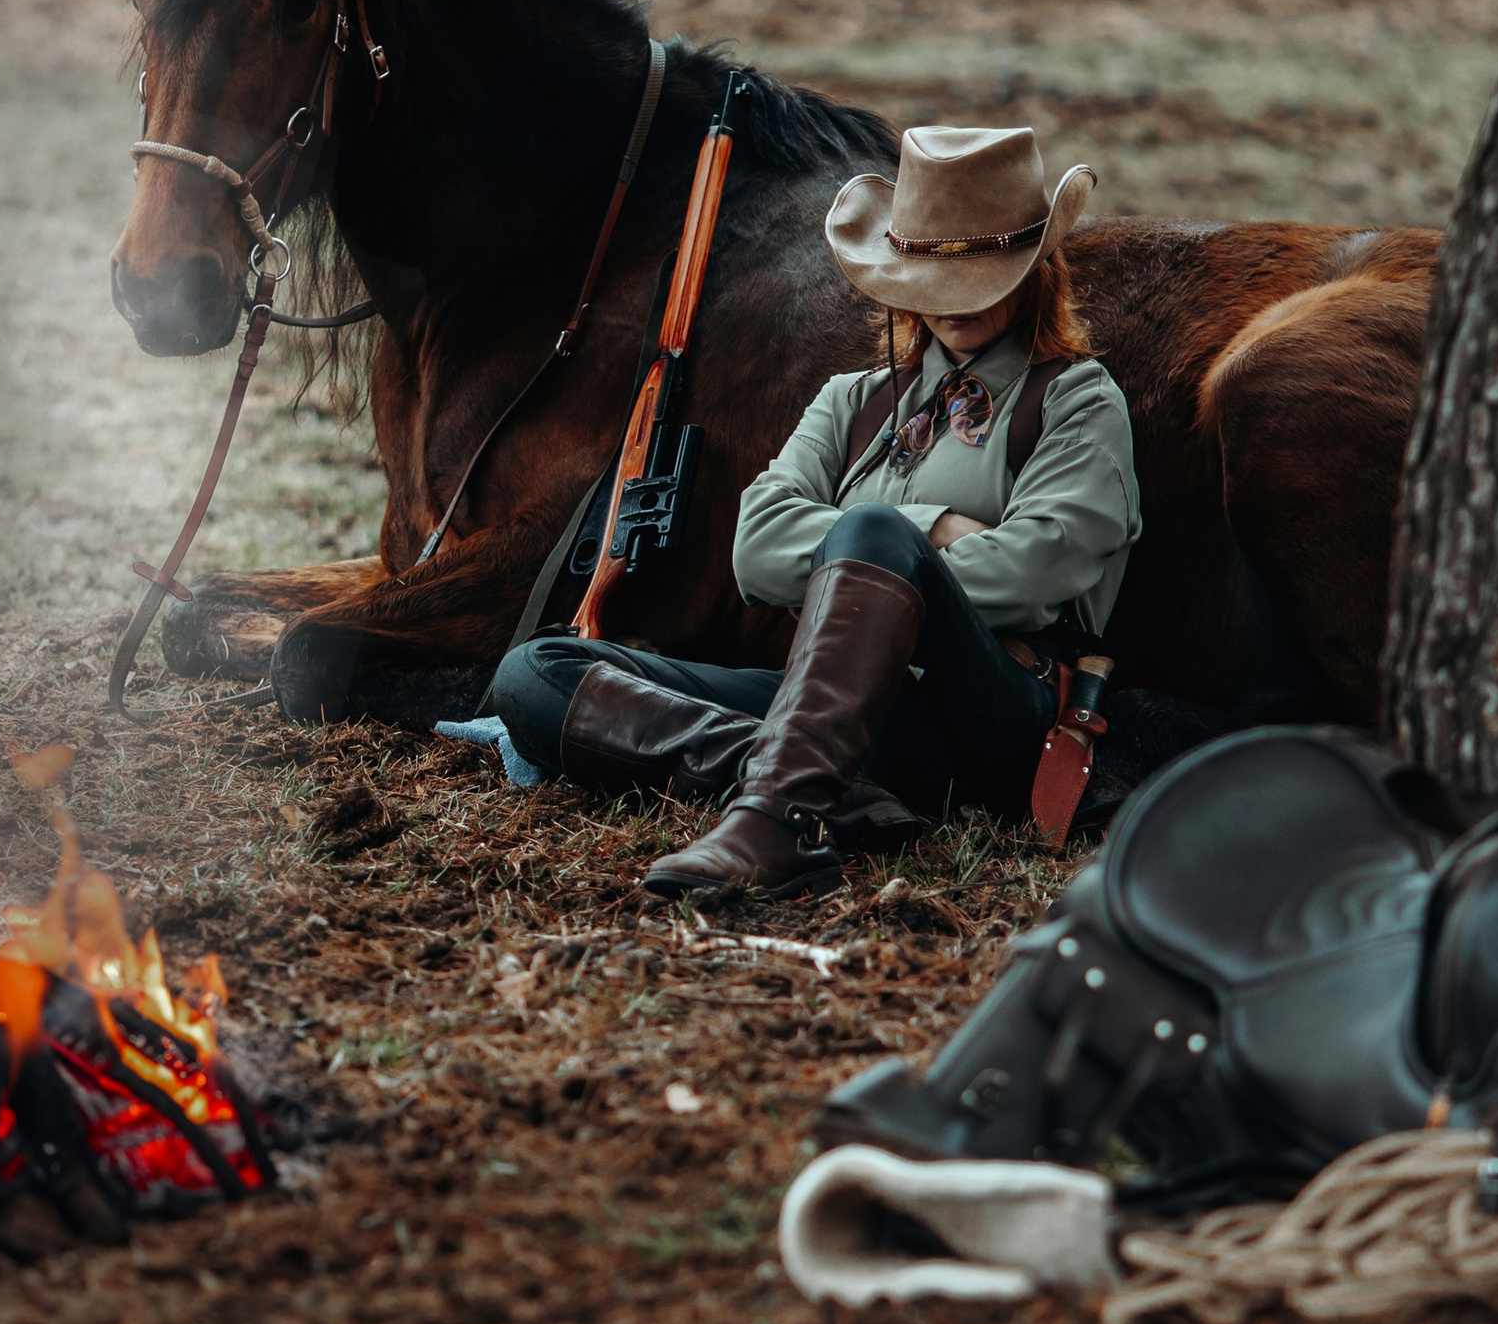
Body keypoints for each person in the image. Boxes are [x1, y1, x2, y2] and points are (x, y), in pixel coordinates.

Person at [489, 122, 1142, 900]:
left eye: (979, 272)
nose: (953, 298)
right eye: (932, 271)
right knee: (536, 672)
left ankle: (778, 823)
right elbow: (755, 548)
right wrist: (932, 531)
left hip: (990, 711)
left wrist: (884, 555)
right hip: (832, 709)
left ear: (1035, 269)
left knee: (871, 530)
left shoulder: (1078, 399)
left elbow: (1037, 571)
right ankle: (816, 784)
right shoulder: (851, 399)